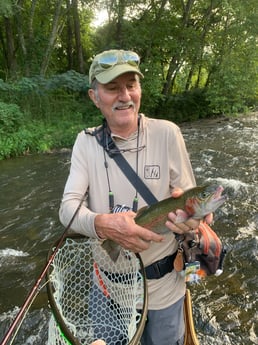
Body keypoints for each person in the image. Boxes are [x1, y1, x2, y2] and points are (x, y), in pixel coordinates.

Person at [59, 49, 212, 345]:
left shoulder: (168, 134)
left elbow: (193, 210)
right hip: (107, 290)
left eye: (131, 85)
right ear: (94, 96)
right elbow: (67, 211)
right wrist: (104, 224)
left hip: (165, 290)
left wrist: (195, 221)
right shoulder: (85, 143)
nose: (125, 96)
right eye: (112, 88)